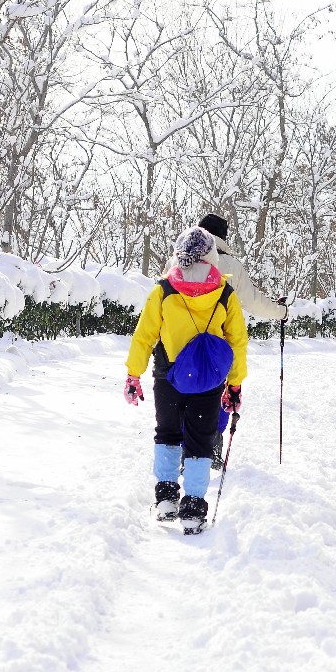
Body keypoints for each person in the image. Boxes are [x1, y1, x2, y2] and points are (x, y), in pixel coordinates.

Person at [124, 226, 249, 534]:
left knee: (167, 433)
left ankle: (166, 498)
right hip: (209, 382)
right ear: (211, 258)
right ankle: (193, 507)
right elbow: (237, 342)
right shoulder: (225, 294)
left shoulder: (163, 290)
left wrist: (133, 373)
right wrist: (235, 383)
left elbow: (144, 336)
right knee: (200, 441)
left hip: (168, 376)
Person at [198, 213, 286, 465]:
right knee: (220, 392)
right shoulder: (231, 266)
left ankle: (186, 447)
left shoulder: (179, 260)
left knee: (186, 389)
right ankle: (213, 445)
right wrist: (282, 312)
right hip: (220, 343)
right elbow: (253, 301)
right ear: (223, 238)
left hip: (181, 342)